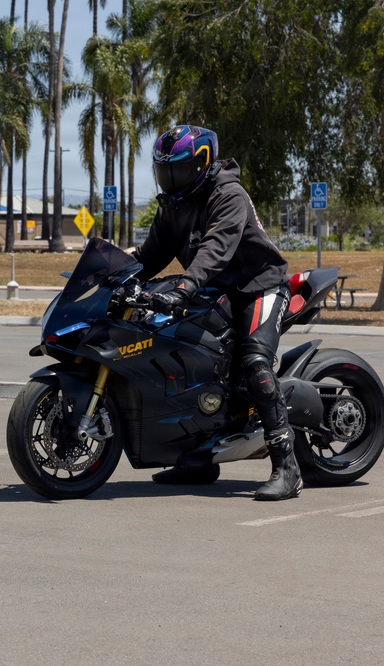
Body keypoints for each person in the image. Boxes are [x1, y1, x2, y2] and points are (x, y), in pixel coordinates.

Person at [131, 125, 302, 501]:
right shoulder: (171, 209)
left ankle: (287, 467)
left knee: (255, 362)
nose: (169, 178)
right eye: (163, 170)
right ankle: (195, 458)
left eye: (177, 169)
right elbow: (148, 258)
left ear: (201, 164)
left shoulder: (228, 195)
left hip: (259, 286)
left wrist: (186, 286)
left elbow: (216, 248)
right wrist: (110, 275)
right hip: (213, 291)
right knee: (180, 357)